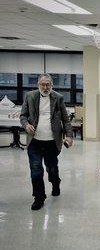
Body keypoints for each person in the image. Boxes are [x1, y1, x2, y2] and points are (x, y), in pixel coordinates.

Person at [20, 74, 73, 210]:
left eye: (47, 85)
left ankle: (56, 183)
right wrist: (26, 125)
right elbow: (23, 116)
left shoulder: (58, 98)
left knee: (52, 169)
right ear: (38, 84)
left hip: (51, 142)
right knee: (36, 170)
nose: (45, 87)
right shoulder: (30, 96)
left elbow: (66, 120)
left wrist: (69, 136)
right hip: (35, 142)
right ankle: (39, 197)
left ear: (52, 85)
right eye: (42, 84)